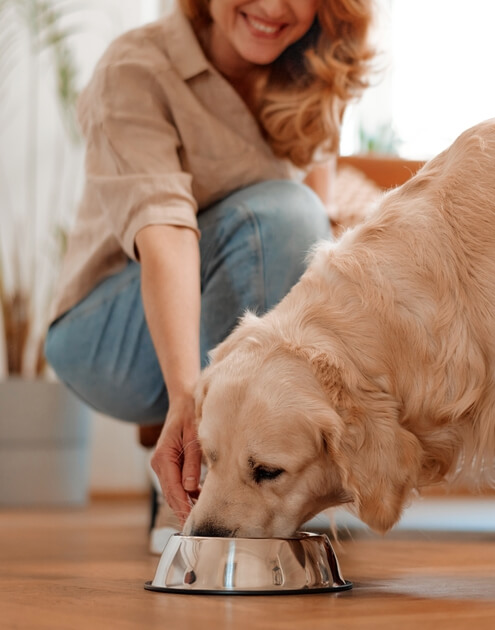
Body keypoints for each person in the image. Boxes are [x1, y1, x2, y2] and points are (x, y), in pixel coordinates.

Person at [44, 0, 374, 550]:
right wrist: (188, 397)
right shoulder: (136, 67)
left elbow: (312, 261)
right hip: (110, 337)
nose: (272, 7)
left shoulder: (313, 72)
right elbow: (164, 233)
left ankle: (254, 498)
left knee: (299, 221)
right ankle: (200, 499)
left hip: (222, 316)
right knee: (280, 213)